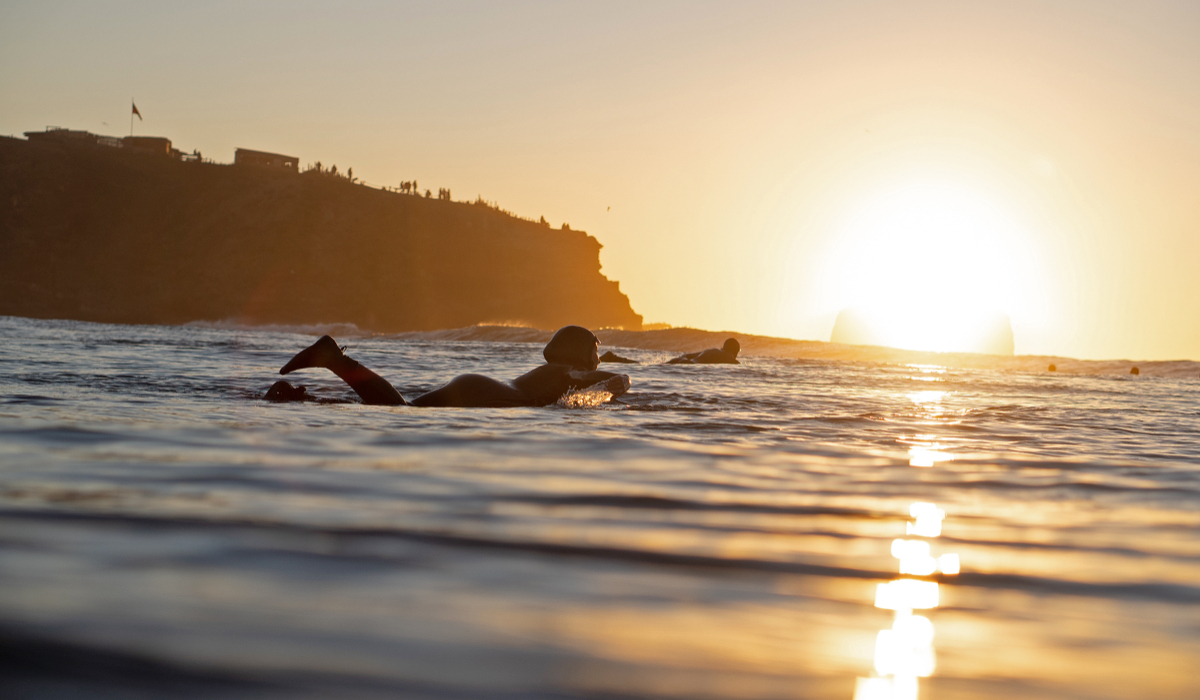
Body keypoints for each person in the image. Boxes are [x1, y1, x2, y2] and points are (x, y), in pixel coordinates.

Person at [266, 325, 630, 407]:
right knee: (400, 413)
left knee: (400, 411)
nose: (598, 356)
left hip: (481, 388)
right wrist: (617, 379)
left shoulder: (552, 372)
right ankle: (335, 359)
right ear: (579, 351)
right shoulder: (565, 370)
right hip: (486, 393)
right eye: (596, 349)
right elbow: (585, 376)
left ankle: (310, 391)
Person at [667, 338, 740, 365]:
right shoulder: (729, 357)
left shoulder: (714, 350)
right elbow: (736, 363)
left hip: (684, 360)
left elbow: (687, 355)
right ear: (734, 350)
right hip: (689, 364)